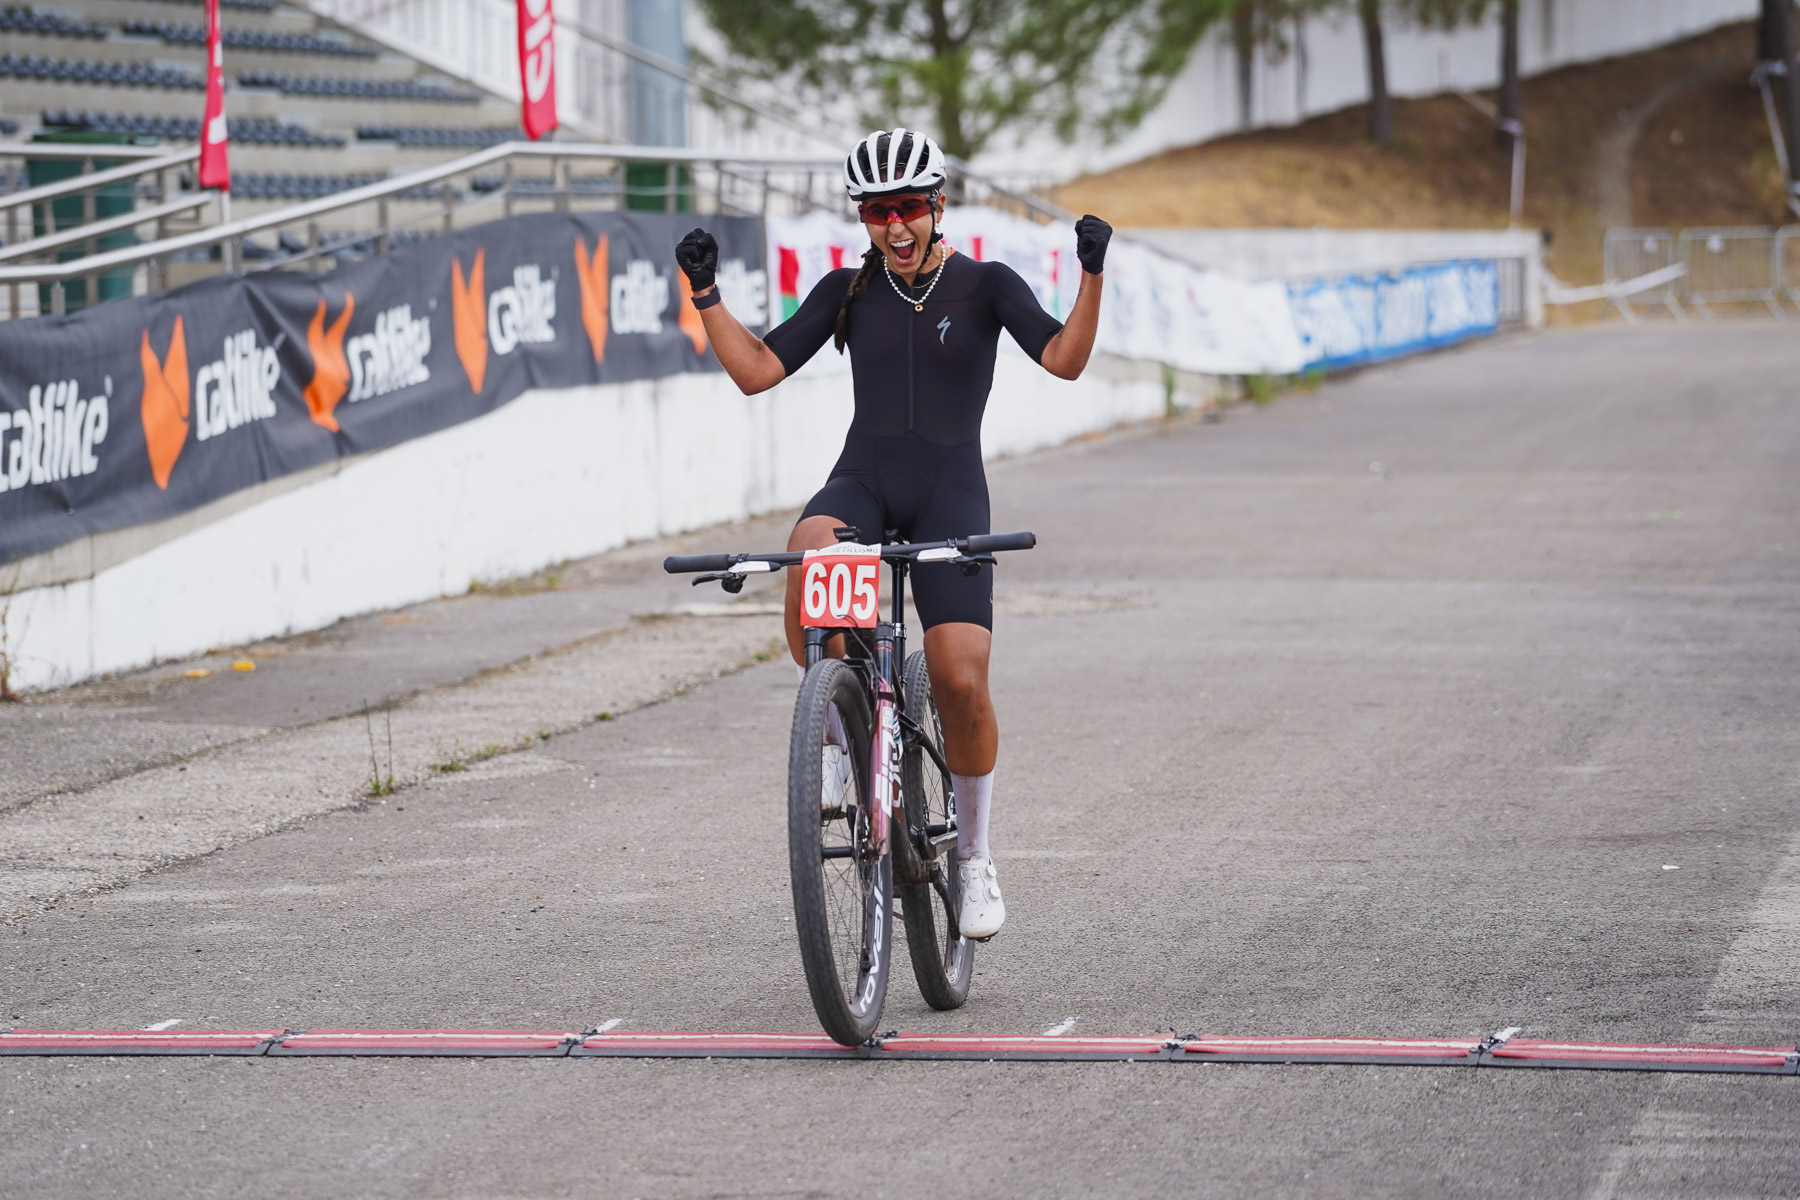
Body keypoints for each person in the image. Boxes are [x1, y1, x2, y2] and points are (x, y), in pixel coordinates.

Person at [673, 128, 1109, 940]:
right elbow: (758, 370)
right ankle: (841, 727)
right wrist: (706, 295)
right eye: (878, 211)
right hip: (864, 482)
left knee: (960, 678)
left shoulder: (984, 285)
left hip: (950, 492)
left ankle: (974, 856)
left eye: (909, 207)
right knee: (811, 556)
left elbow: (1065, 359)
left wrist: (1091, 276)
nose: (895, 227)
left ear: (937, 207)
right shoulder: (849, 291)